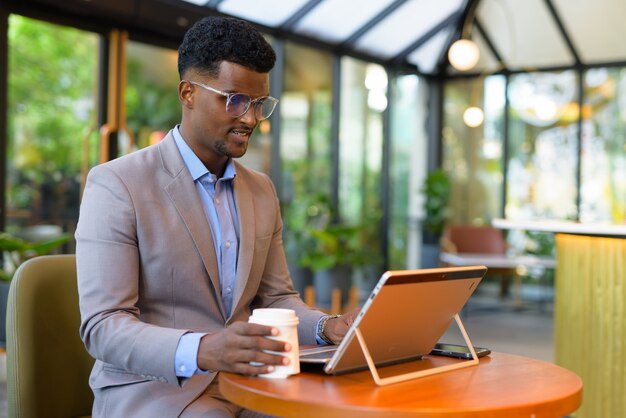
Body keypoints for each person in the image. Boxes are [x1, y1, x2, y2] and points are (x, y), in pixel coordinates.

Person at [76, 16, 357, 418]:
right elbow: (103, 326)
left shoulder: (261, 189)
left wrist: (326, 327)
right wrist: (205, 349)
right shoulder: (117, 184)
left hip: (248, 381)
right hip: (153, 390)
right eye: (235, 100)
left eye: (259, 104)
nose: (250, 119)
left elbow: (276, 299)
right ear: (188, 93)